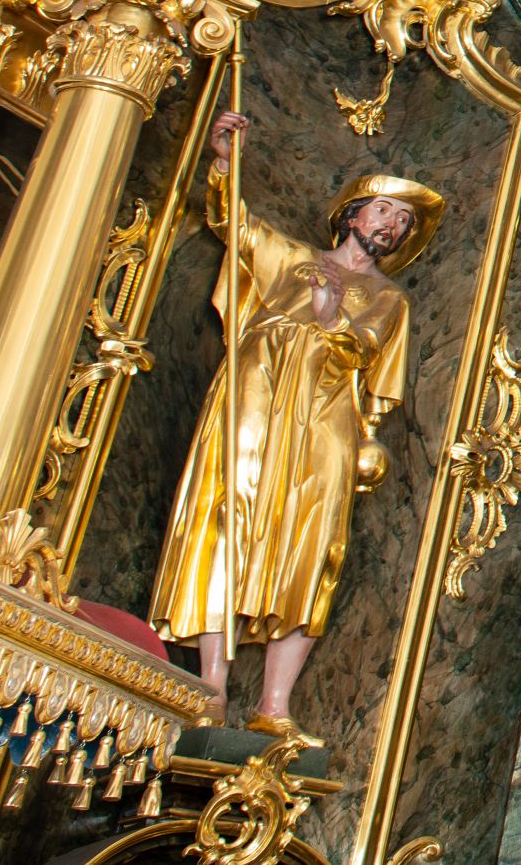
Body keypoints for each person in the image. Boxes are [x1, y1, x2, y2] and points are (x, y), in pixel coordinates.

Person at [150, 111, 429, 736]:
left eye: (403, 222)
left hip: (326, 418)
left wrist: (333, 322)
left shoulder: (391, 299)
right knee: (228, 517)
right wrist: (226, 161)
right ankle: (210, 687)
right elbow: (235, 225)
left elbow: (372, 359)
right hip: (254, 400)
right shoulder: (293, 259)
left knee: (314, 544)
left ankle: (274, 705)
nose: (391, 225)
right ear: (353, 215)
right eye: (383, 210)